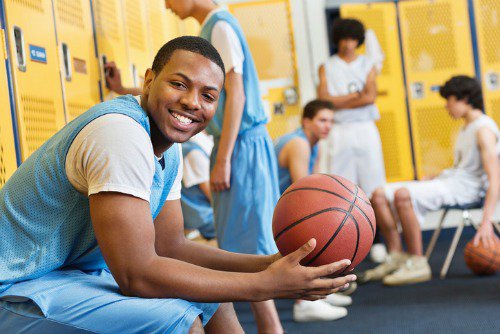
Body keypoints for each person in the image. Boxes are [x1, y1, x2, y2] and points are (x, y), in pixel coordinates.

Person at [0, 36, 357, 333]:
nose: (192, 102)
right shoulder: (120, 135)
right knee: (175, 320)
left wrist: (268, 264)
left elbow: (170, 247)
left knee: (213, 301)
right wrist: (266, 286)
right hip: (17, 287)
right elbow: (136, 275)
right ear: (148, 81)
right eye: (179, 84)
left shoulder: (167, 150)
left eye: (208, 95)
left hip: (66, 278)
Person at [165, 1, 284, 332]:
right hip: (236, 144)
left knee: (251, 246)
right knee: (243, 243)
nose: (165, 4)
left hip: (240, 145)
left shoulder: (220, 25)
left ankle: (272, 327)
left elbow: (239, 95)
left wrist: (225, 157)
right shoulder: (212, 26)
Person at [363, 75, 500, 286]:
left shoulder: (483, 130)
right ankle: (397, 256)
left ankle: (418, 262)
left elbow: (495, 178)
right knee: (378, 194)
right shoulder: (466, 127)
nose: (447, 107)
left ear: (464, 99)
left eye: (449, 100)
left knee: (403, 195)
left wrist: (486, 221)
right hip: (452, 181)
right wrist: (438, 177)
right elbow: (464, 168)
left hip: (466, 189)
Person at [274, 99, 353, 322]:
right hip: (273, 207)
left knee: (327, 223)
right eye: (322, 120)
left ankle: (319, 295)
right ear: (306, 121)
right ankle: (304, 304)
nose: (327, 125)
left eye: (330, 121)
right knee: (317, 231)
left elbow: (317, 183)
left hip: (284, 203)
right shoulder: (298, 143)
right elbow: (305, 191)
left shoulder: (314, 143)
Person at [318, 18, 387, 264]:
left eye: (353, 39)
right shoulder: (327, 66)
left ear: (359, 41)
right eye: (345, 39)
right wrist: (356, 95)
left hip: (365, 129)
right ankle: (344, 245)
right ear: (337, 39)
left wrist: (342, 100)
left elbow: (370, 98)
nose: (349, 44)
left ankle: (379, 241)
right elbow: (325, 100)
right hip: (340, 131)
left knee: (373, 188)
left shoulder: (367, 64)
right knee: (343, 190)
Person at [181, 130, 216, 241]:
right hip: (202, 218)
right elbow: (213, 197)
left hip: (199, 215)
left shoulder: (191, 146)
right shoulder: (193, 152)